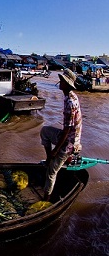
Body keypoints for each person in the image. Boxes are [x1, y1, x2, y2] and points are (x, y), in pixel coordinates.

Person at [39, 68, 82, 201]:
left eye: (62, 81)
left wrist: (56, 150)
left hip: (69, 142)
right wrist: (51, 153)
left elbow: (67, 130)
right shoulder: (70, 95)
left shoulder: (70, 101)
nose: (60, 82)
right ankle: (49, 159)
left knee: (51, 173)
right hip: (68, 136)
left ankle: (46, 199)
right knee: (44, 131)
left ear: (67, 84)